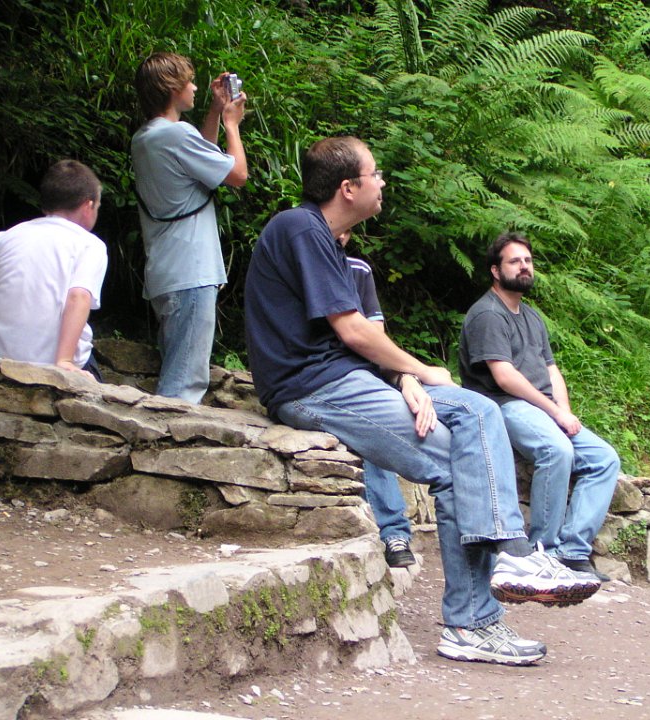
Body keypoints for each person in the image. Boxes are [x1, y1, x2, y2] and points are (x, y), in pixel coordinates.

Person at [244, 137, 598, 666]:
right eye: (375, 174)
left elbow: (356, 339)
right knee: (458, 465)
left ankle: (502, 571)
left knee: (479, 410)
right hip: (312, 388)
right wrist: (421, 369)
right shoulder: (300, 228)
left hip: (345, 378)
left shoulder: (329, 241)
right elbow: (352, 330)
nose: (382, 182)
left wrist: (402, 377)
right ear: (348, 187)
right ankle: (483, 604)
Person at [459, 232, 620, 581]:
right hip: (503, 405)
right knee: (556, 450)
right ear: (495, 271)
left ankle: (572, 552)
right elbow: (504, 377)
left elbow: (551, 370)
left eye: (528, 261)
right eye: (514, 261)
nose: (524, 266)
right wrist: (554, 412)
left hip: (542, 407)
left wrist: (564, 410)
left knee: (605, 459)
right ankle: (541, 552)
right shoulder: (487, 314)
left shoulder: (532, 317)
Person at [131, 52, 248, 403]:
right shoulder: (176, 134)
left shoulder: (147, 137)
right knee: (183, 385)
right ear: (173, 89)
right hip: (191, 271)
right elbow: (237, 175)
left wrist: (214, 111)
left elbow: (201, 159)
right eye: (190, 82)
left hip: (167, 270)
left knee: (177, 368)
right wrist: (231, 124)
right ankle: (163, 436)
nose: (195, 87)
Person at [0, 159, 108, 379]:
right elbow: (78, 297)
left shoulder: (8, 236)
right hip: (51, 366)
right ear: (88, 206)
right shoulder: (89, 244)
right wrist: (64, 361)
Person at [344, 240, 415, 568]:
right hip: (313, 379)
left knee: (376, 426)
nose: (340, 236)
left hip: (360, 376)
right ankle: (392, 529)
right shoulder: (295, 268)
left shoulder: (357, 270)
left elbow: (375, 337)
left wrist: (406, 376)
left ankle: (394, 532)